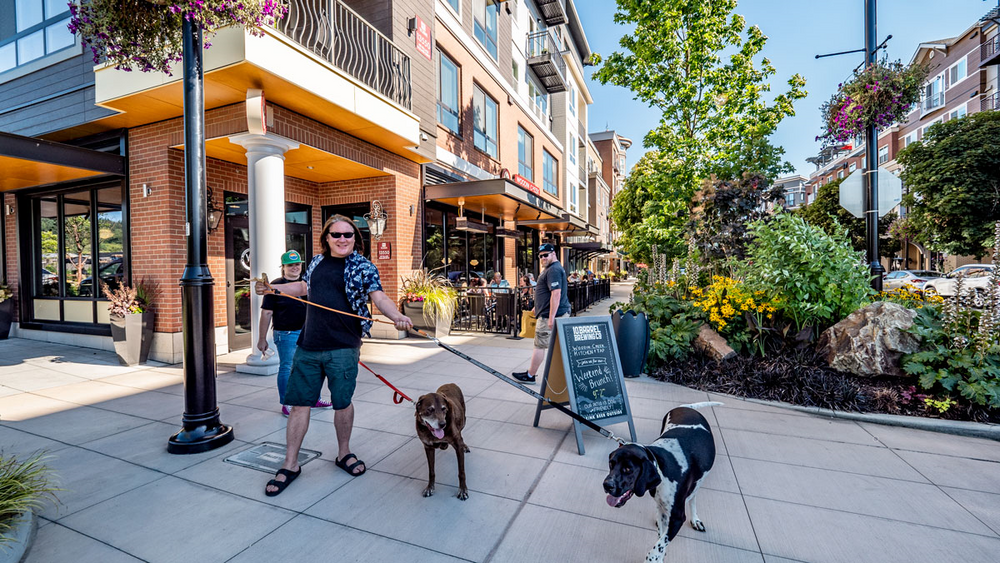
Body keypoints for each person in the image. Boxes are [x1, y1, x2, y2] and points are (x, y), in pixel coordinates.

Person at [257, 215, 412, 496]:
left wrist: (398, 315)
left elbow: (378, 297)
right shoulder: (316, 262)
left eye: (348, 235)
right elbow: (304, 288)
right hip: (308, 345)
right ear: (326, 238)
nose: (343, 239)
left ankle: (343, 454)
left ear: (356, 238)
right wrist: (273, 288)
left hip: (343, 347)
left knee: (342, 403)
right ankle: (290, 464)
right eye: (337, 234)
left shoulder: (364, 266)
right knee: (300, 404)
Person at [257, 250, 332, 416]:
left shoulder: (308, 284)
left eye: (297, 264)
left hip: (310, 333)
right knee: (288, 368)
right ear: (283, 267)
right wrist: (262, 338)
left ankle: (313, 399)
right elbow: (266, 313)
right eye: (290, 265)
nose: (295, 267)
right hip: (286, 334)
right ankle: (287, 403)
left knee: (315, 367)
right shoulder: (275, 285)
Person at [512, 243, 570, 383]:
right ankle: (563, 375)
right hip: (550, 313)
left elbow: (556, 294)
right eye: (540, 256)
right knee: (555, 346)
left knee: (540, 345)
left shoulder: (554, 270)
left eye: (546, 255)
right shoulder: (551, 268)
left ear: (553, 254)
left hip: (550, 316)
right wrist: (537, 307)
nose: (543, 258)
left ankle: (530, 375)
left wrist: (550, 318)